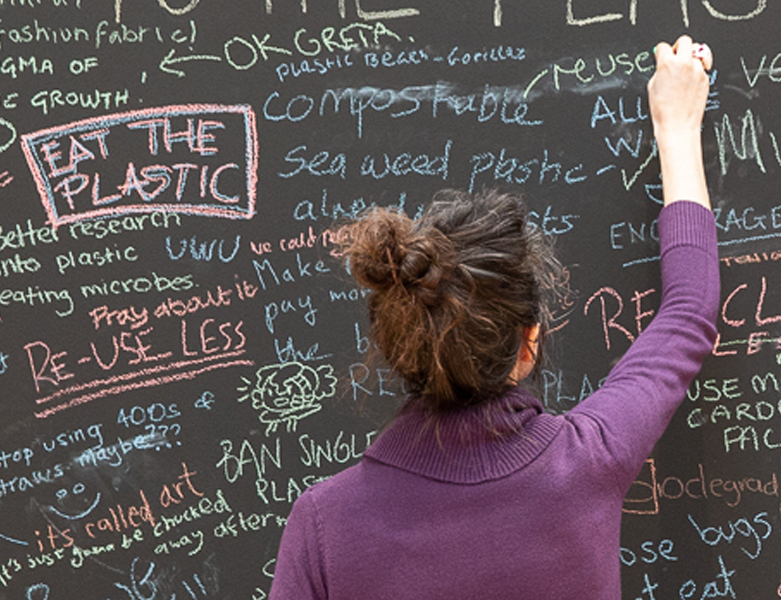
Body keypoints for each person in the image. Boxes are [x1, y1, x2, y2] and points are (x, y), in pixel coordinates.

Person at [269, 36, 718, 599]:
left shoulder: (324, 526)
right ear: (527, 345)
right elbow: (689, 311)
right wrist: (677, 127)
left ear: (399, 345)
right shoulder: (586, 462)